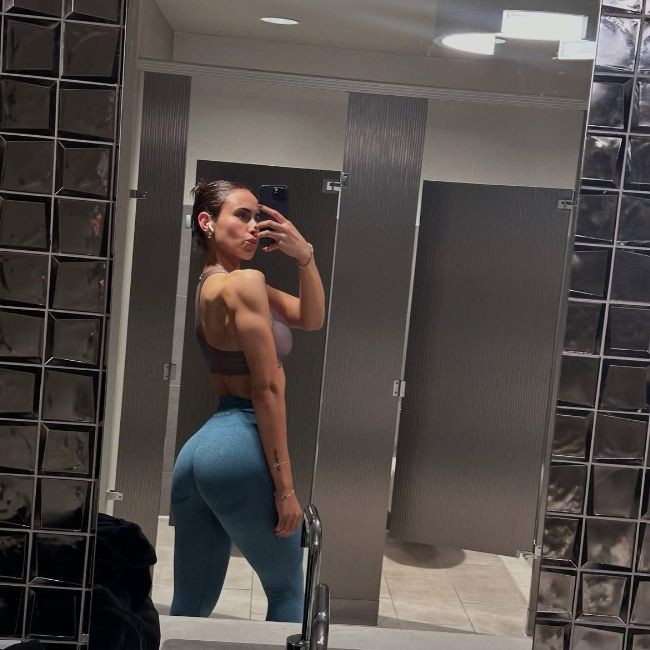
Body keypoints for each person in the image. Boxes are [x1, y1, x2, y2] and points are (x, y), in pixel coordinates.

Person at [170, 180, 325, 622]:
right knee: (287, 591)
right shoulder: (246, 283)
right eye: (242, 215)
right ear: (206, 222)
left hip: (198, 453)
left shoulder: (212, 284)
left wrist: (304, 256)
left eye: (258, 216)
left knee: (191, 605)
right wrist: (285, 489)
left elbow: (310, 317)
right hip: (238, 444)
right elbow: (267, 390)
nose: (255, 225)